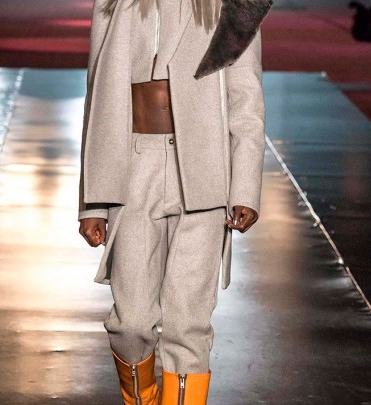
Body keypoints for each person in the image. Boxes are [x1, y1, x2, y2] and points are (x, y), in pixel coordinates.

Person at [78, 0, 273, 403]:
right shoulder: (114, 3)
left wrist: (244, 188)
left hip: (206, 172)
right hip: (133, 168)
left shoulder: (230, 5)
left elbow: (247, 99)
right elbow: (97, 94)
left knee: (188, 325)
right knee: (130, 324)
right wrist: (92, 202)